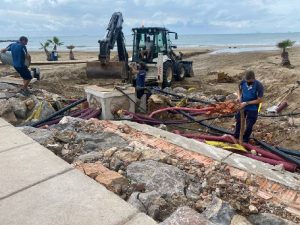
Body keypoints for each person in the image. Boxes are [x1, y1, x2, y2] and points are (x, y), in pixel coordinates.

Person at [234, 70, 264, 143]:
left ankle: (245, 139)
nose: (248, 82)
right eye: (247, 81)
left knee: (249, 124)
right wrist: (239, 97)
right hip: (242, 105)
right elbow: (239, 89)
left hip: (253, 107)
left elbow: (260, 100)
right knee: (239, 120)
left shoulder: (259, 85)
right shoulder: (242, 82)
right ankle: (236, 136)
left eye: (250, 81)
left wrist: (247, 103)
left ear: (253, 79)